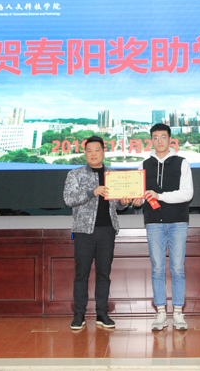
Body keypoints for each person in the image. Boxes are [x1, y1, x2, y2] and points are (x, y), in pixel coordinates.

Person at [63, 135, 132, 330]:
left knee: (104, 274)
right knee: (81, 274)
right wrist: (92, 192)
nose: (93, 154)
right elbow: (68, 199)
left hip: (107, 230)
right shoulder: (75, 174)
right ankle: (79, 315)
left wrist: (124, 203)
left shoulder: (114, 175)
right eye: (89, 151)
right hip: (84, 232)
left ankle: (102, 313)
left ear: (103, 152)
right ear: (85, 153)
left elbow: (118, 205)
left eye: (97, 150)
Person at [132, 123, 193, 331]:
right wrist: (137, 201)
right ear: (151, 140)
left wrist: (160, 196)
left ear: (170, 139)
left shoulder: (182, 162)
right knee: (157, 269)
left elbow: (187, 194)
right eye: (155, 137)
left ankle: (178, 313)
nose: (159, 141)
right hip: (153, 223)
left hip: (178, 222)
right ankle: (160, 313)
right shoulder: (143, 165)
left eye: (163, 137)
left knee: (177, 269)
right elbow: (140, 195)